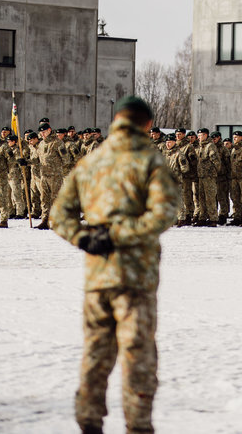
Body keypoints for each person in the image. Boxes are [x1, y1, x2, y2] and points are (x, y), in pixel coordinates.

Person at [50, 96, 179, 434]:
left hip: (98, 275)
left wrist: (87, 238)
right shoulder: (150, 159)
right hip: (134, 277)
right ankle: (138, 427)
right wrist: (121, 233)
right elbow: (164, 213)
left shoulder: (91, 161)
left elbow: (58, 215)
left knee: (95, 355)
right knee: (138, 356)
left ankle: (88, 423)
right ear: (148, 124)